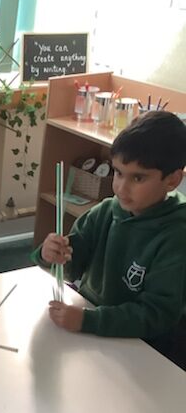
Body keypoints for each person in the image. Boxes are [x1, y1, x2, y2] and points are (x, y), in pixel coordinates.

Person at [34, 110, 186, 366]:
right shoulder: (106, 211)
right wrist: (49, 254)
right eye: (118, 172)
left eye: (138, 177)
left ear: (172, 180)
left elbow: (157, 314)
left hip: (144, 350)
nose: (121, 188)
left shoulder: (176, 234)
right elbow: (71, 268)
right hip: (95, 334)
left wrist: (88, 320)